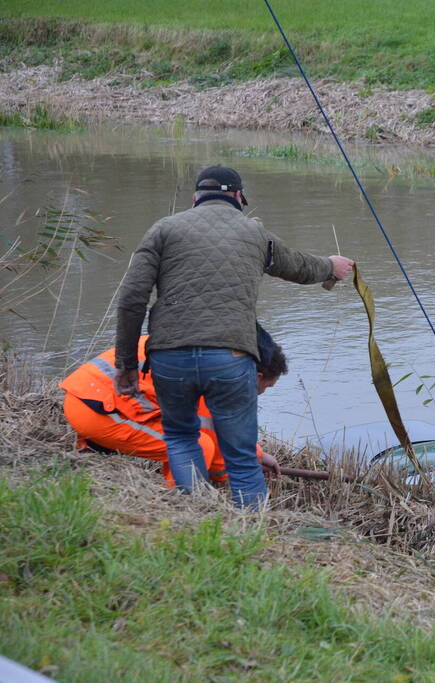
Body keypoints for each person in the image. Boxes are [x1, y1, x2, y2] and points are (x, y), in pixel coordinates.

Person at [114, 165, 354, 508]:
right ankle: (251, 532)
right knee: (240, 455)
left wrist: (125, 364)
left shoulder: (163, 229)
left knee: (182, 438)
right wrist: (331, 266)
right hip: (231, 358)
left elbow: (131, 299)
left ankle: (197, 513)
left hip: (170, 356)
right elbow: (298, 267)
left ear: (195, 197)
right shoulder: (254, 232)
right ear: (239, 197)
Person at [61, 328, 286, 488]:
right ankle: (178, 502)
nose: (261, 394)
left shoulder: (206, 353)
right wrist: (241, 469)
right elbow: (213, 436)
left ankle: (92, 445)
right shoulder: (217, 375)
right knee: (196, 445)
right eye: (265, 387)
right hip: (97, 411)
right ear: (256, 376)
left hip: (88, 400)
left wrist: (255, 455)